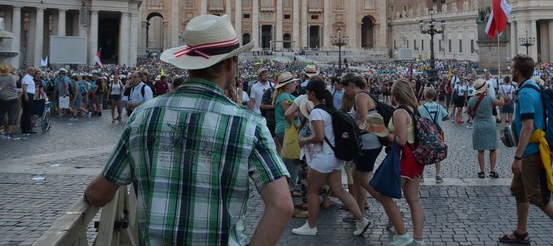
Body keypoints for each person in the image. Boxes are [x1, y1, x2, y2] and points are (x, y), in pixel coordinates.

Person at [84, 14, 291, 244]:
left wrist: (87, 195)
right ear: (232, 63)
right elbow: (282, 205)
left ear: (188, 63)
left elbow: (99, 193)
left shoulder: (143, 116)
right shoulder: (248, 124)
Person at [499, 54, 553, 246]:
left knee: (538, 196)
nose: (510, 71)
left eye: (512, 68)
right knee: (519, 190)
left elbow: (527, 128)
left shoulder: (526, 94)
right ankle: (521, 232)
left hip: (530, 152)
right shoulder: (532, 87)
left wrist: (518, 157)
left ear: (518, 71)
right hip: (532, 148)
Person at [292, 77, 371, 237]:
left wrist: (304, 140)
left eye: (308, 91)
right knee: (339, 190)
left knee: (312, 192)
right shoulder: (329, 109)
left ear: (312, 93)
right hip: (335, 157)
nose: (307, 94)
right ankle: (361, 219)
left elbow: (319, 136)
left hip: (323, 158)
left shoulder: (316, 112)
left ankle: (311, 226)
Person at [344, 73, 407, 234]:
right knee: (356, 176)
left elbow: (365, 122)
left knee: (363, 180)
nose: (345, 91)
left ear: (351, 85)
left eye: (346, 87)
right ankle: (359, 213)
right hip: (368, 141)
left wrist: (345, 123)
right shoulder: (365, 95)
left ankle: (392, 210)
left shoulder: (359, 97)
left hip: (369, 142)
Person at [387, 78, 425, 246]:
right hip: (415, 158)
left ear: (396, 95)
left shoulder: (399, 112)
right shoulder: (413, 109)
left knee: (385, 196)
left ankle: (403, 234)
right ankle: (419, 239)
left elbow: (401, 140)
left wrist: (382, 133)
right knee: (413, 199)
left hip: (404, 157)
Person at [467, 78, 504, 179]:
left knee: (480, 150)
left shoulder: (471, 99)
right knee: (492, 149)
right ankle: (492, 171)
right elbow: (501, 103)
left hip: (478, 125)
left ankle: (482, 172)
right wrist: (500, 95)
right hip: (489, 125)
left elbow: (468, 112)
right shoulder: (489, 98)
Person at [273, 72, 300, 194]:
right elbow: (290, 113)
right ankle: (291, 186)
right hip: (287, 129)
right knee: (292, 159)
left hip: (284, 129)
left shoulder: (284, 95)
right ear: (287, 85)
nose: (296, 84)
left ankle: (285, 184)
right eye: (293, 82)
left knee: (288, 158)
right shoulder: (285, 97)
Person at [418, 86, 449, 183]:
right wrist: (440, 119)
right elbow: (446, 116)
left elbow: (418, 119)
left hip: (425, 133)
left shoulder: (421, 108)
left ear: (425, 95)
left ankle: (421, 175)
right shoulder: (439, 106)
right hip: (437, 132)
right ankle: (438, 174)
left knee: (423, 152)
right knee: (438, 152)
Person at [0, 64, 19, 139]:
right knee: (12, 115)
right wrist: (13, 72)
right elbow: (18, 78)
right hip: (12, 98)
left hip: (2, 98)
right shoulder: (12, 77)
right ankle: (9, 132)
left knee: (1, 115)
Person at [20, 67, 37, 134]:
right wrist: (26, 95)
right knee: (27, 112)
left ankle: (26, 127)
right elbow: (25, 87)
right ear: (28, 71)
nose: (33, 72)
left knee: (27, 112)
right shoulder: (27, 77)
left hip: (29, 94)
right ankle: (26, 128)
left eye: (34, 71)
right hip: (28, 95)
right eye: (32, 71)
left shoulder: (29, 78)